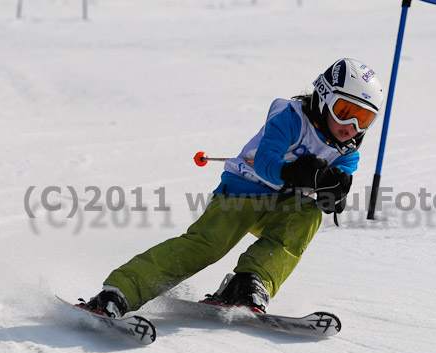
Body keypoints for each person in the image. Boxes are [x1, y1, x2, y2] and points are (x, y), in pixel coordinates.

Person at [82, 58, 384, 317]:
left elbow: (338, 183)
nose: (352, 127)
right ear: (323, 97)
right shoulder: (290, 118)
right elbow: (266, 160)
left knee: (307, 216)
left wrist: (334, 195)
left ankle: (250, 282)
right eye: (345, 111)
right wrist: (293, 173)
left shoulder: (347, 151)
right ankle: (119, 292)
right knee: (206, 246)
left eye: (364, 119)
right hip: (242, 194)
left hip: (283, 208)